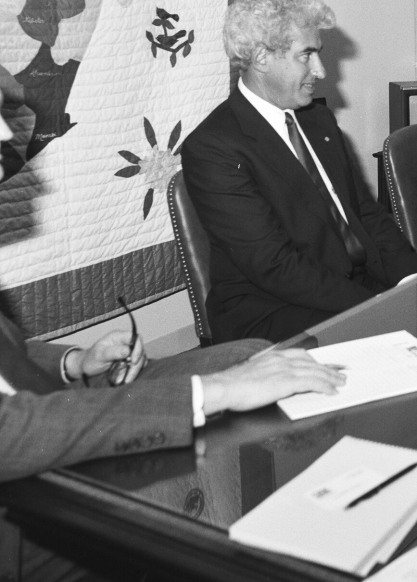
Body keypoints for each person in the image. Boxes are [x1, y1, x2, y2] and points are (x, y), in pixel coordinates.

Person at [0, 89, 346, 484]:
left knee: (257, 357)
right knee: (241, 381)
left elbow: (8, 353)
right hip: (26, 475)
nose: (7, 134)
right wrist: (216, 391)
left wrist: (74, 362)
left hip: (51, 401)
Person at [182, 0, 417, 342]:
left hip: (352, 286)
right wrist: (378, 307)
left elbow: (366, 215)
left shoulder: (318, 121)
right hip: (275, 310)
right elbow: (275, 265)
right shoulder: (214, 147)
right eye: (306, 56)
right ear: (262, 57)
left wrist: (415, 282)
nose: (321, 70)